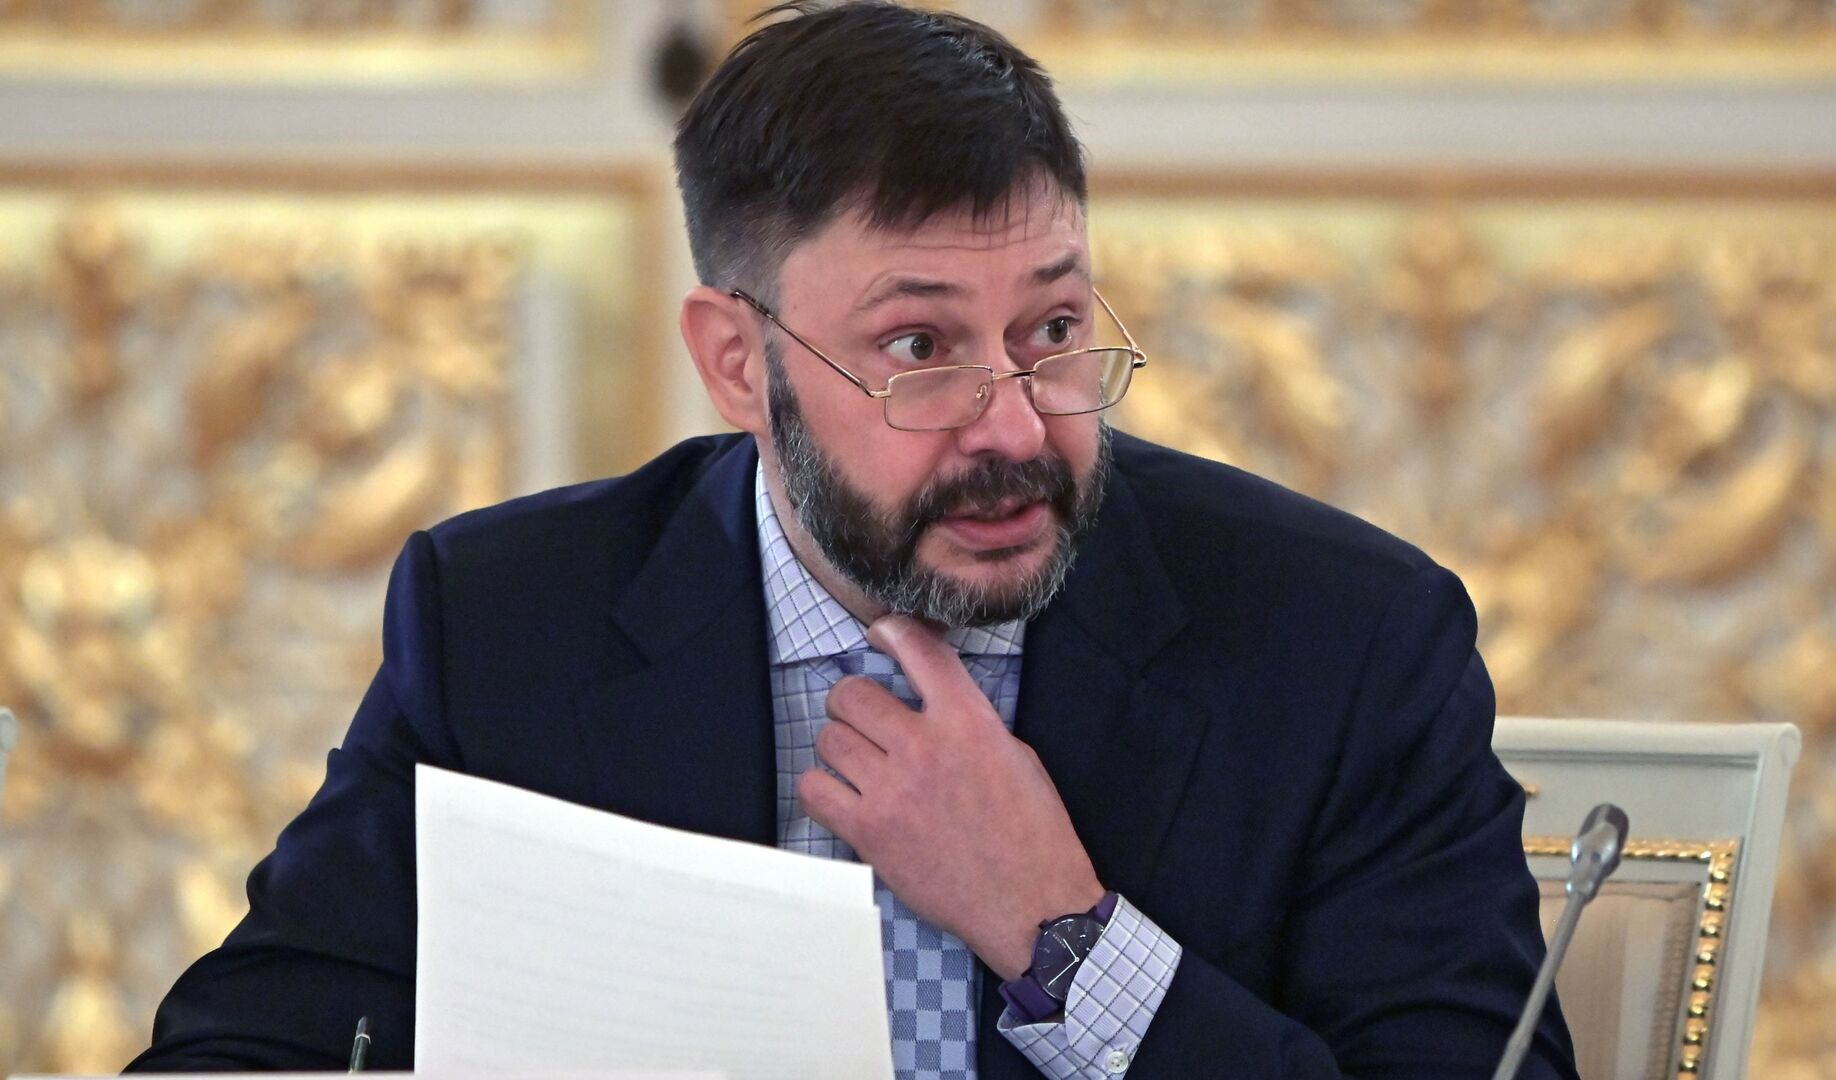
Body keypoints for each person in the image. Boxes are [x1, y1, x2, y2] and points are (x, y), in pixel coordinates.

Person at [128, 3, 1577, 1077]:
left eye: (1052, 328)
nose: (1014, 424)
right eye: (919, 348)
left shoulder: (1342, 641)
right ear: (737, 361)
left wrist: (1066, 940)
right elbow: (241, 1056)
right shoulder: (508, 624)